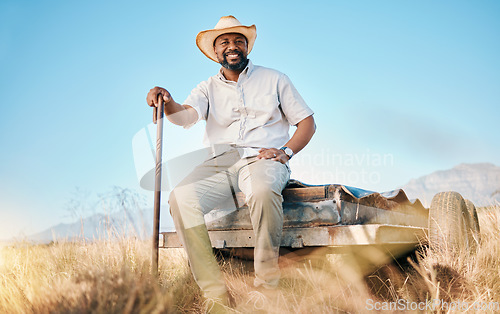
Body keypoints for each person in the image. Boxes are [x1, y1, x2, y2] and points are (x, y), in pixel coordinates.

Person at [146, 15, 315, 307]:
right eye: (224, 42)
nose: (232, 46)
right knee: (180, 198)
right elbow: (185, 116)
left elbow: (307, 123)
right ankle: (214, 294)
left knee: (262, 191)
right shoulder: (206, 88)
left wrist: (285, 152)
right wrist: (167, 100)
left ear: (247, 46)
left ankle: (266, 289)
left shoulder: (275, 78)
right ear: (215, 52)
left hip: (261, 159)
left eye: (238, 40)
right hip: (219, 162)